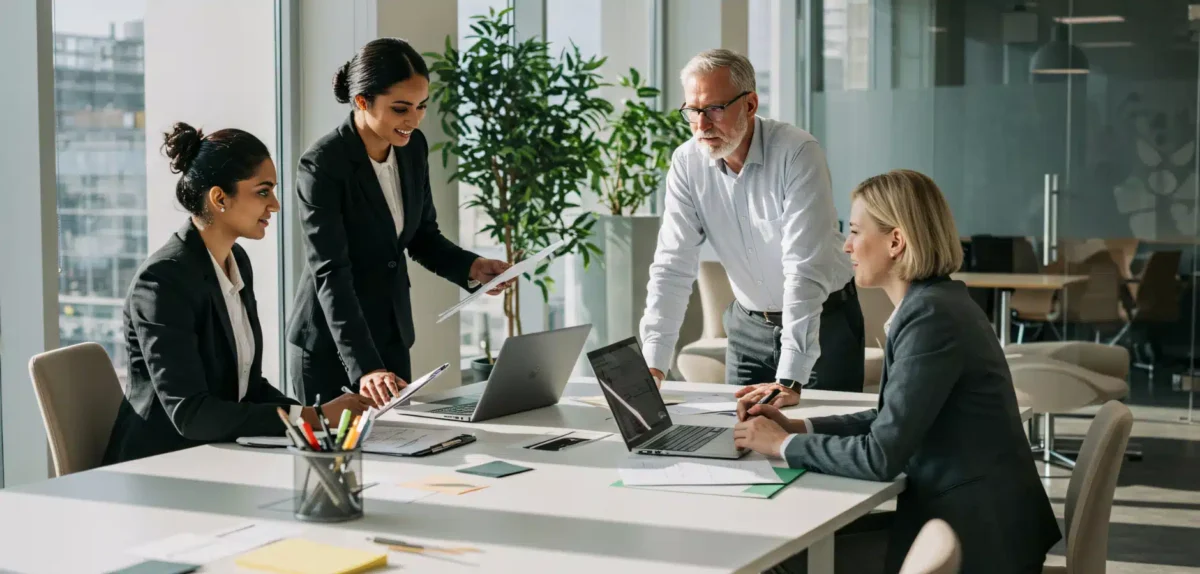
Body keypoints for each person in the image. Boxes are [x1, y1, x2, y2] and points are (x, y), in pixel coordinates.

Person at [733, 170, 1061, 573]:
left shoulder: (931, 317)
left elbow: (880, 456)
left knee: (779, 558)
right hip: (974, 516)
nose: (847, 245)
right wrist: (798, 429)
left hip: (976, 538)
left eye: (854, 231)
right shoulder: (937, 303)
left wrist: (780, 446)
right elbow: (890, 419)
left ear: (896, 241)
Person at [103, 123, 371, 465]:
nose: (274, 204)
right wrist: (313, 418)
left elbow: (247, 388)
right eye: (263, 191)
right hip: (162, 466)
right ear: (219, 198)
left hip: (220, 454)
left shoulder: (236, 262)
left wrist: (318, 416)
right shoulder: (163, 280)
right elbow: (191, 414)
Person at [287, 38, 512, 407]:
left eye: (421, 106)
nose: (414, 119)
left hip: (390, 337)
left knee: (399, 457)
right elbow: (331, 272)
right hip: (333, 348)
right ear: (362, 101)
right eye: (400, 108)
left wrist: (472, 267)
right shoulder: (323, 164)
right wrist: (365, 369)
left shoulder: (413, 148)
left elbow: (422, 235)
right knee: (338, 461)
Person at [639, 49, 863, 398]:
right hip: (747, 327)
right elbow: (672, 266)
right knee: (739, 438)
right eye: (693, 111)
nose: (702, 125)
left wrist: (790, 377)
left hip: (823, 320)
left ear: (750, 104)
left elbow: (805, 269)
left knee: (818, 440)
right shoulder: (686, 163)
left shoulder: (797, 152)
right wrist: (653, 363)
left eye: (714, 109)